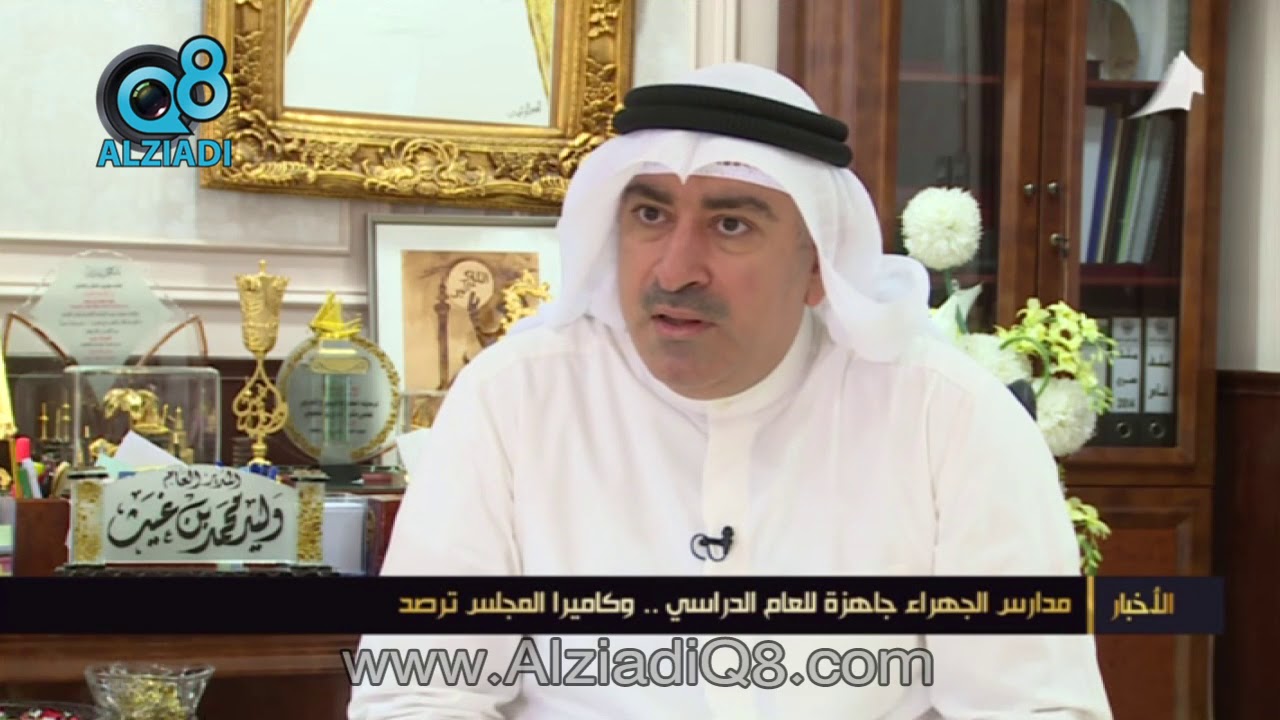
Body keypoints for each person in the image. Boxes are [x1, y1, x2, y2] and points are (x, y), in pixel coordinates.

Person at [347, 62, 1113, 719]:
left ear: (817, 264)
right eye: (651, 214)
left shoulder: (948, 419)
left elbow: (1035, 704)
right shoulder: (516, 399)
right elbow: (417, 693)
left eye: (732, 225)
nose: (675, 268)